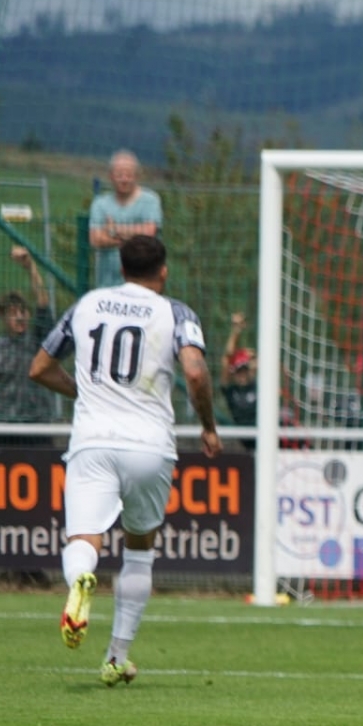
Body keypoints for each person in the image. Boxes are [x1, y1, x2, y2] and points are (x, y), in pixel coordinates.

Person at [28, 235, 221, 685]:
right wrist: (209, 426)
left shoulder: (88, 304)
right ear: (164, 271)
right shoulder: (176, 312)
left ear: (120, 266)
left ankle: (81, 579)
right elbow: (194, 371)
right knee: (139, 549)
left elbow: (39, 367)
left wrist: (86, 391)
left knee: (84, 536)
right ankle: (116, 657)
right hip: (150, 447)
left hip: (94, 440)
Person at [0, 247, 56, 425]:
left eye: (23, 311)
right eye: (13, 312)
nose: (20, 317)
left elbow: (43, 302)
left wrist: (30, 267)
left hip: (37, 423)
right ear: (3, 316)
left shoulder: (37, 341)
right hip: (4, 423)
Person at [88, 150, 163, 288]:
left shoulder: (150, 200)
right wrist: (135, 239)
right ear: (111, 176)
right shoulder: (99, 204)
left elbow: (149, 233)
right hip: (107, 284)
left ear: (137, 176)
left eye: (129, 175)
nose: (124, 179)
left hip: (144, 284)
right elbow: (96, 239)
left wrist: (113, 230)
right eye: (119, 175)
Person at [221, 310, 258, 426]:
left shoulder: (257, 386)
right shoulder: (230, 391)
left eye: (244, 371)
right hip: (246, 436)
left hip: (265, 433)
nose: (241, 375)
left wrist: (253, 356)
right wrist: (236, 331)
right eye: (238, 372)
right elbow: (227, 358)